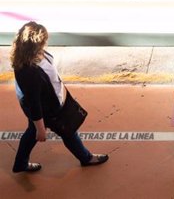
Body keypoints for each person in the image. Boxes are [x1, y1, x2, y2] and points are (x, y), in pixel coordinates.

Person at [11, 21, 109, 173]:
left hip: (50, 101)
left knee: (32, 132)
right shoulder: (28, 71)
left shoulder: (35, 55)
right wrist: (41, 129)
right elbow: (34, 103)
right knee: (68, 131)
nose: (46, 43)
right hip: (47, 109)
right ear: (35, 44)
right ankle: (86, 158)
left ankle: (20, 163)